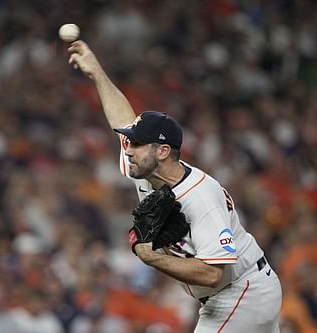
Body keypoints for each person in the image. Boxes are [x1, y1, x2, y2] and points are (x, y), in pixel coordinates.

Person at [67, 40, 282, 332]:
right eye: (131, 141)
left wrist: (149, 256)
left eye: (139, 143)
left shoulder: (201, 197)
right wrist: (96, 73)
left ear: (163, 152)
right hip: (238, 291)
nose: (129, 149)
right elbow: (122, 118)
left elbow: (212, 274)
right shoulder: (143, 169)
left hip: (240, 293)